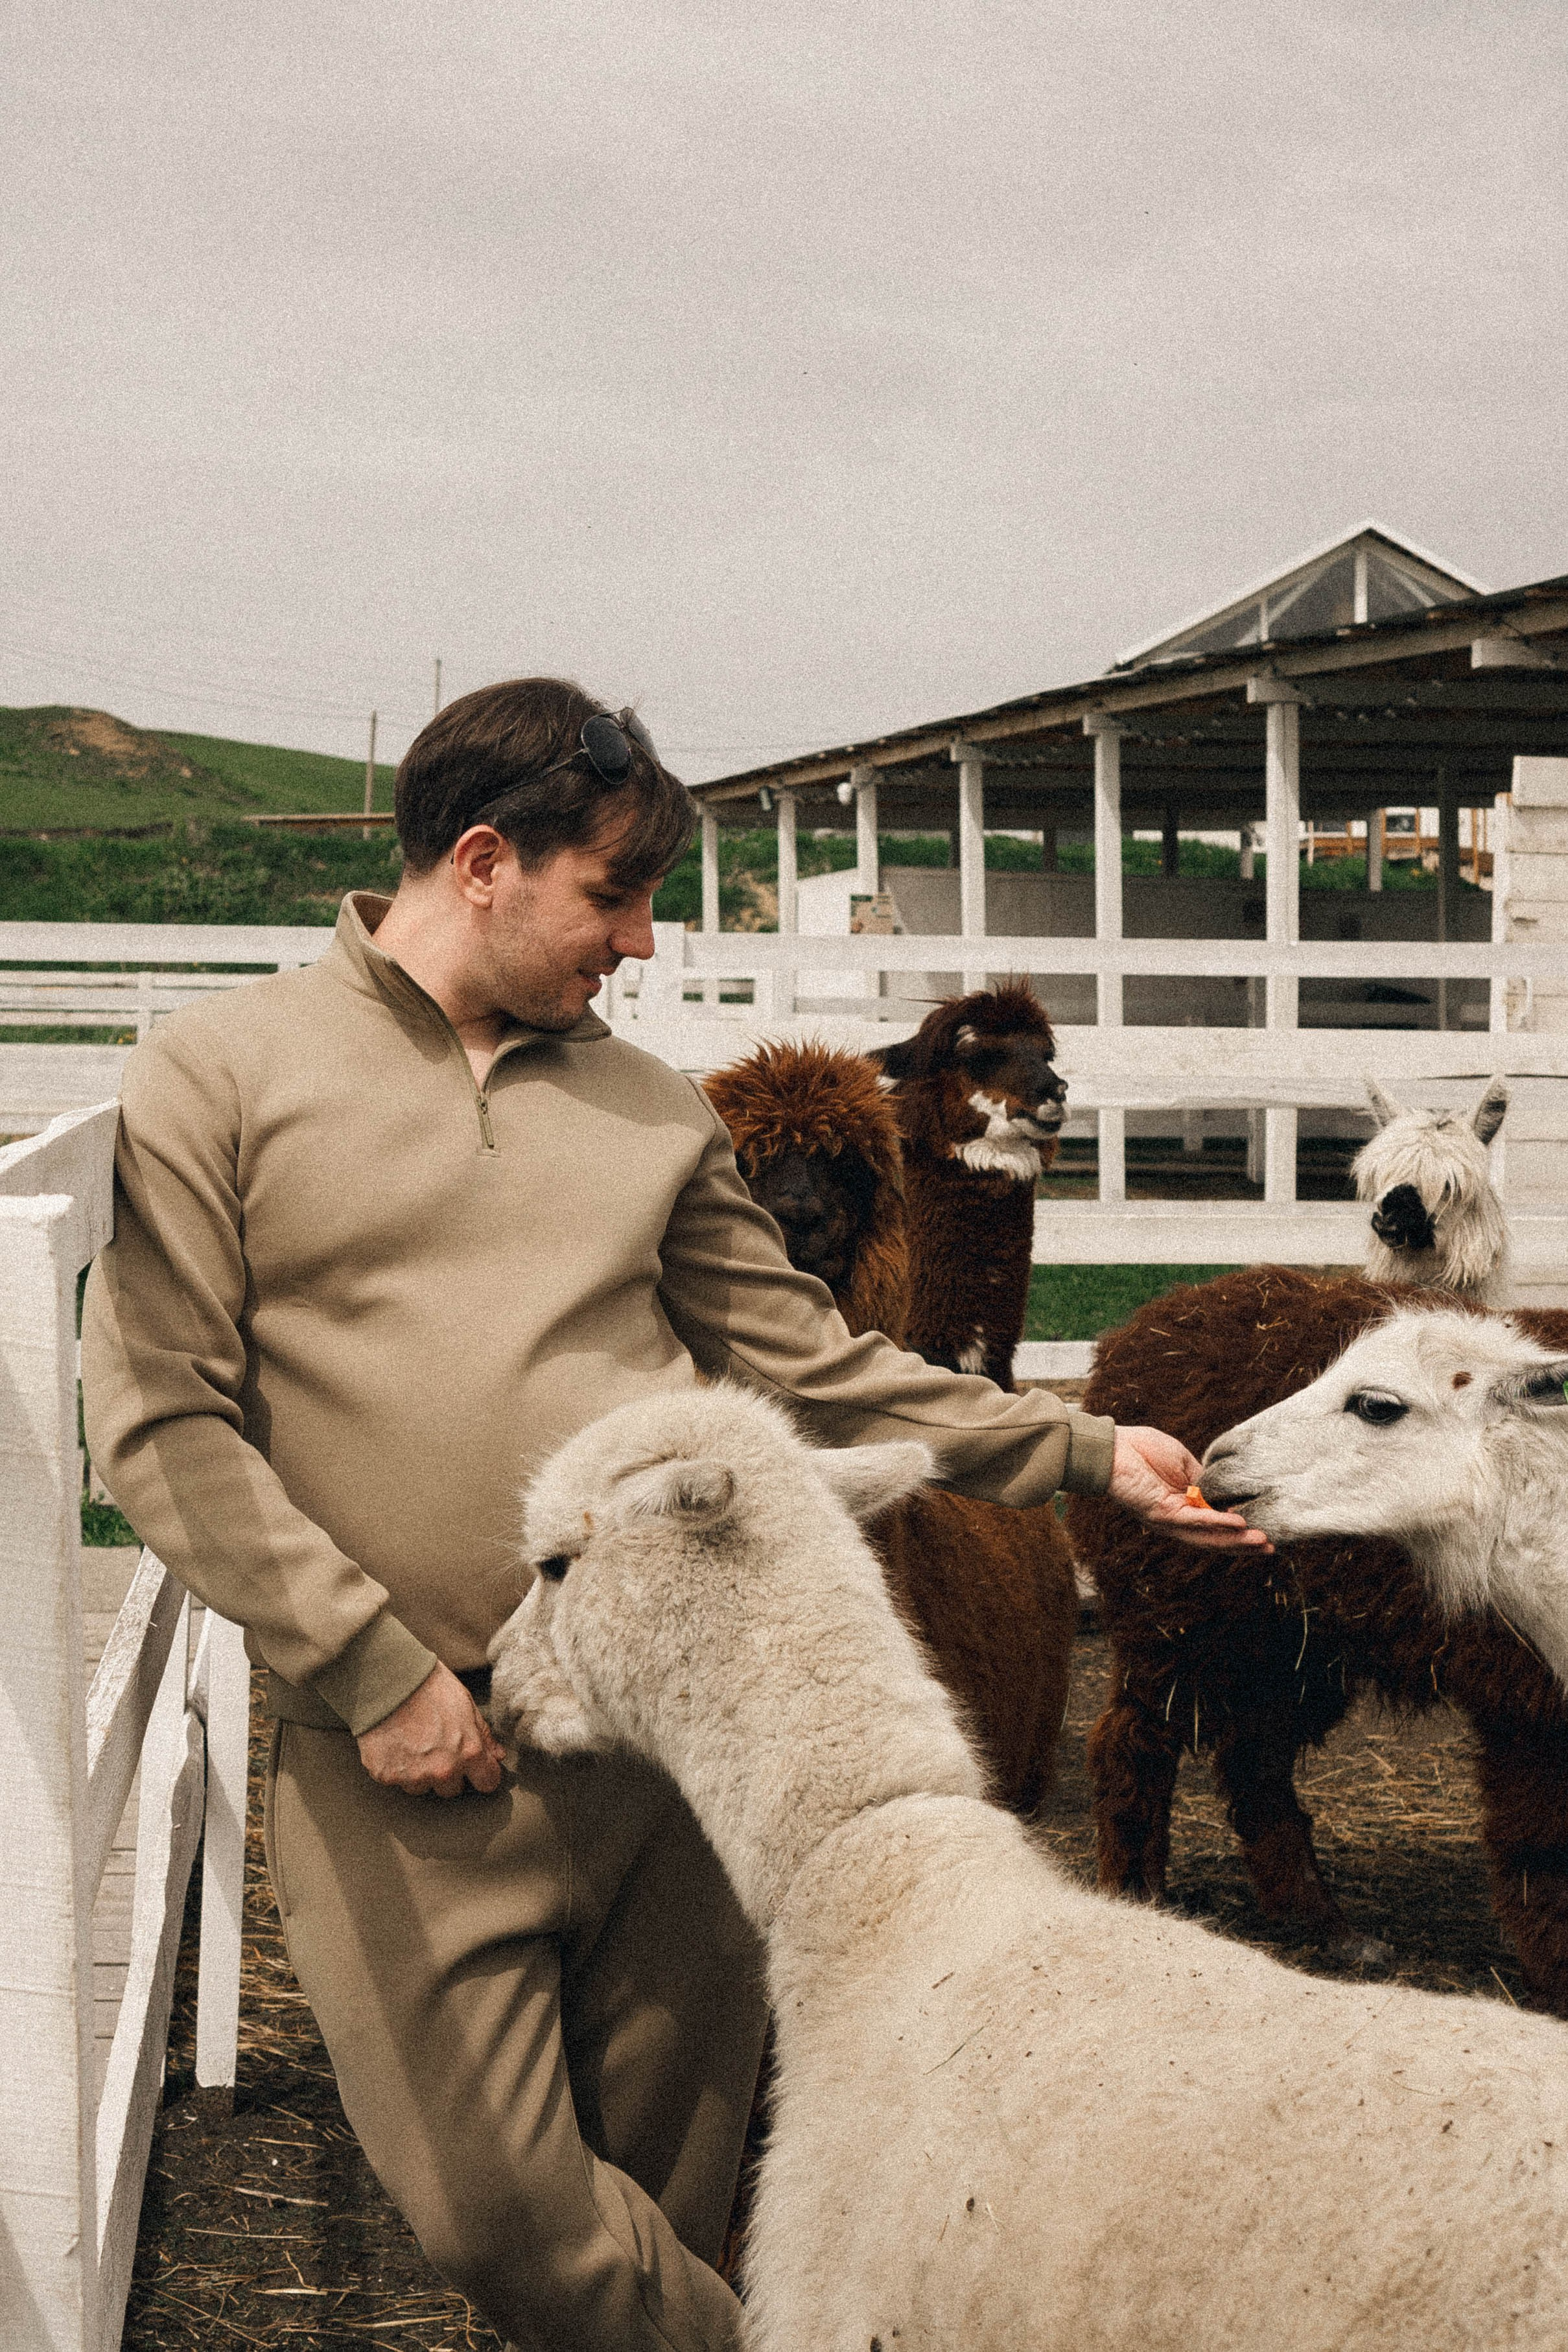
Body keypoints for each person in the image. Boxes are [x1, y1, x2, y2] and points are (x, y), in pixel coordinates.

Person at [82, 676, 1263, 2352]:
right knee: (503, 2216)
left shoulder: (644, 1113)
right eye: (612, 895)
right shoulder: (223, 1078)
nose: (640, 942)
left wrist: (1077, 1450)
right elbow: (159, 1413)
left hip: (665, 1764)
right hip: (406, 1760)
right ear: (483, 860)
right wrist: (368, 1667)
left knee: (669, 2191)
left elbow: (816, 1363)